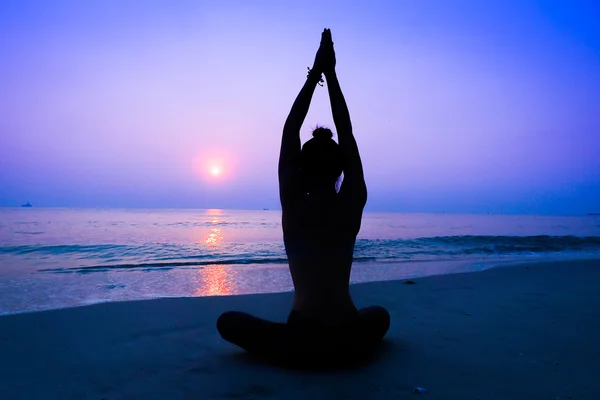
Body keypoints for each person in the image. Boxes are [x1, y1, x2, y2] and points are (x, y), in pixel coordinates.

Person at [217, 29, 390, 368]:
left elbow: (289, 130)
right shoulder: (351, 201)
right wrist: (332, 73)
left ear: (300, 169)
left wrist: (315, 74)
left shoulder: (294, 206)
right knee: (379, 316)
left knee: (227, 322)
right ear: (341, 169)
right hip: (348, 339)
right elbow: (347, 131)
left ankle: (301, 357)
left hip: (301, 341)